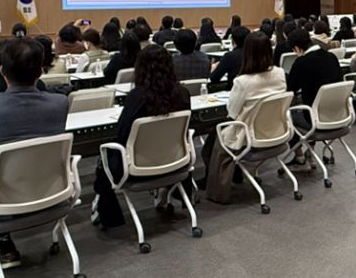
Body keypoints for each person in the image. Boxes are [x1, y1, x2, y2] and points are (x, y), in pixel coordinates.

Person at [0, 37, 68, 268]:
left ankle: (4, 243)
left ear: (1, 71)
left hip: (1, 195)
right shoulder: (60, 103)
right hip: (51, 189)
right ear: (40, 71)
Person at [93, 45, 190, 228]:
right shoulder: (183, 93)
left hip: (138, 165)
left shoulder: (137, 96)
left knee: (104, 160)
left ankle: (111, 218)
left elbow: (121, 134)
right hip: (175, 160)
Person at [203, 32, 286, 203]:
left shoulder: (243, 81)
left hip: (247, 135)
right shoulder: (280, 73)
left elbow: (232, 113)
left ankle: (216, 184)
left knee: (214, 138)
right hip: (276, 130)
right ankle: (235, 174)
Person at [286, 28, 342, 169]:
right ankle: (310, 152)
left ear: (297, 48)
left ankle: (299, 156)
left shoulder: (301, 62)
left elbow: (290, 89)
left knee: (288, 115)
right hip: (339, 115)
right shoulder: (332, 57)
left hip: (314, 118)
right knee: (313, 105)